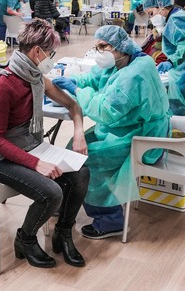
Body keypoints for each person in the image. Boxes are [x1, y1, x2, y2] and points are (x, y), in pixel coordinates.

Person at [0, 19, 89, 268]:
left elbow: (73, 105)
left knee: (81, 173)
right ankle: (26, 240)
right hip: (1, 158)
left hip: (31, 146)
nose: (53, 58)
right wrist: (37, 163)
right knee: (52, 193)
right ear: (37, 51)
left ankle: (63, 234)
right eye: (51, 53)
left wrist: (79, 131)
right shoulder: (3, 84)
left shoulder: (36, 77)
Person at [52, 25, 169, 239]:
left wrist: (76, 91)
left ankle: (110, 219)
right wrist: (75, 81)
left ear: (120, 46)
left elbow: (105, 111)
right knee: (73, 147)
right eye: (96, 47)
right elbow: (95, 78)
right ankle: (66, 199)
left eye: (103, 46)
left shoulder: (135, 73)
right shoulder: (121, 61)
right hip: (122, 128)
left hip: (142, 136)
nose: (99, 52)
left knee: (89, 159)